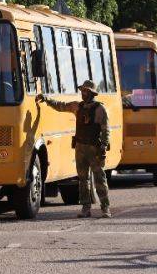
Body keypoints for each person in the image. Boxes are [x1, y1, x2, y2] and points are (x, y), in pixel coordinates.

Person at [38, 80, 112, 218]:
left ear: (91, 93)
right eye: (82, 91)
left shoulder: (100, 109)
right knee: (83, 179)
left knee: (99, 178)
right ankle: (85, 208)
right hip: (80, 148)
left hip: (94, 148)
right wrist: (46, 99)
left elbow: (106, 129)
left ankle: (105, 208)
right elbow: (60, 106)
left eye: (86, 91)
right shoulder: (77, 106)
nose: (83, 93)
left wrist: (103, 146)